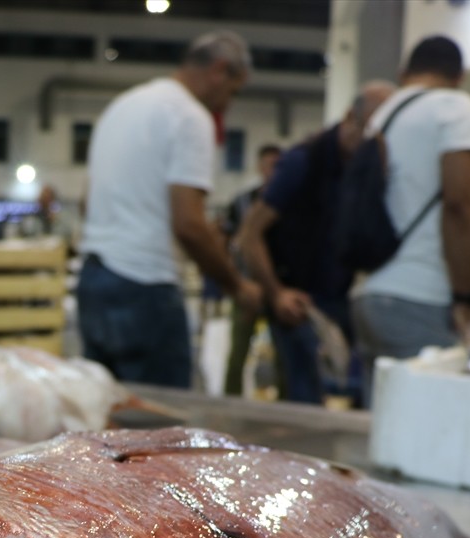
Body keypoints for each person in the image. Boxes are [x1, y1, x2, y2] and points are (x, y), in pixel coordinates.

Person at [77, 30, 262, 388]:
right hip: (144, 287)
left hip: (94, 280)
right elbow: (189, 224)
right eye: (233, 91)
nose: (227, 104)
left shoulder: (122, 106)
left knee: (104, 408)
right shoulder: (189, 117)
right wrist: (236, 285)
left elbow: (87, 202)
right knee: (159, 415)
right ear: (219, 70)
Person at [236, 82, 395, 406]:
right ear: (350, 118)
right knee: (305, 399)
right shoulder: (303, 161)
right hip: (298, 302)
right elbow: (250, 234)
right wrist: (276, 293)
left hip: (342, 300)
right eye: (371, 130)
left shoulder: (365, 168)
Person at [349, 35, 470, 407]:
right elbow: (460, 203)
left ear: (403, 72)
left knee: (382, 426)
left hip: (369, 295)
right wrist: (465, 296)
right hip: (418, 295)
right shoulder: (454, 106)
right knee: (431, 424)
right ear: (459, 77)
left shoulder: (383, 114)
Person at [220, 144, 279, 396]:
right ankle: (229, 402)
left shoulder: (288, 202)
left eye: (277, 166)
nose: (272, 171)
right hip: (246, 286)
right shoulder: (242, 202)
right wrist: (233, 281)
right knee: (237, 353)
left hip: (277, 287)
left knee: (283, 357)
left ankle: (285, 408)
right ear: (259, 167)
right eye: (268, 165)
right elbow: (225, 240)